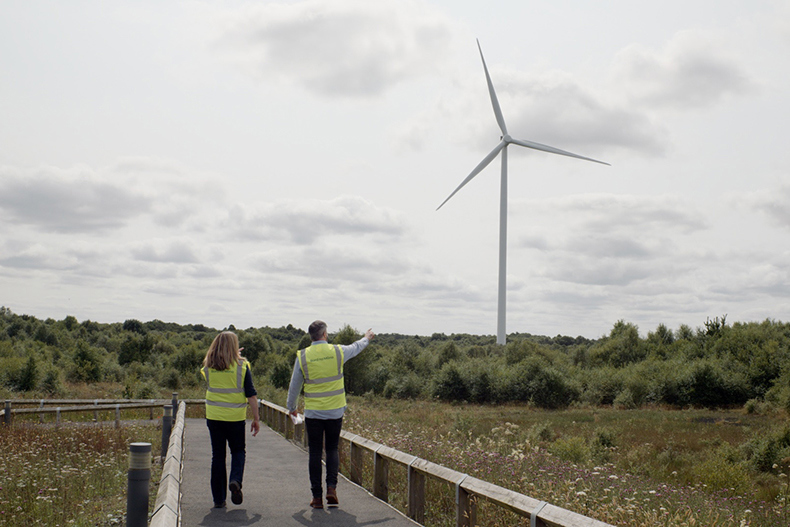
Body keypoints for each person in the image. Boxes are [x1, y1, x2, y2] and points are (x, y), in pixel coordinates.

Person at [287, 320, 375, 509]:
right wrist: (366, 338)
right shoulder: (337, 351)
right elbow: (356, 347)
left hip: (314, 413)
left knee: (315, 452)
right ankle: (332, 489)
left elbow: (295, 385)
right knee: (333, 449)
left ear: (311, 336)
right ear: (325, 334)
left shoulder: (303, 356)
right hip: (335, 410)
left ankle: (317, 497)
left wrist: (291, 407)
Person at [201, 331, 260, 509]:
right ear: (235, 347)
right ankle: (235, 481)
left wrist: (230, 355)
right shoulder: (242, 366)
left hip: (213, 417)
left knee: (217, 456)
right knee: (238, 451)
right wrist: (256, 418)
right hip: (235, 418)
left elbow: (218, 368)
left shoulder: (207, 366)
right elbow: (251, 395)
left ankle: (218, 499)